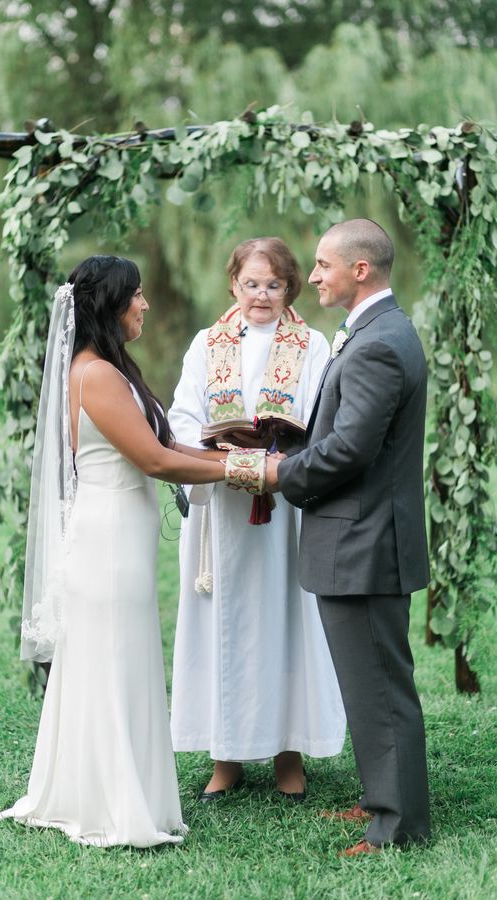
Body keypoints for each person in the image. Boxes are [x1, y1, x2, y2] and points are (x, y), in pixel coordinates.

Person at [0, 255, 228, 848]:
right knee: (111, 659)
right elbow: (154, 461)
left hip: (121, 534)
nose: (145, 305)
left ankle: (101, 787)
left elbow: (167, 442)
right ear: (110, 305)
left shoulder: (108, 369)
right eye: (138, 296)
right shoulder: (95, 375)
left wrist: (235, 455)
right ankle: (111, 801)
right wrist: (246, 472)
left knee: (116, 658)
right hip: (108, 539)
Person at [266, 219, 430, 855]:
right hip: (364, 538)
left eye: (321, 265)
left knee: (381, 688)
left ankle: (397, 826)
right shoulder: (376, 332)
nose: (312, 277)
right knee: (370, 681)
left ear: (360, 269)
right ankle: (380, 796)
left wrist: (278, 472)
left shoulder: (379, 343)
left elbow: (349, 452)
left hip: (364, 543)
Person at [168, 237, 346, 801]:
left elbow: (325, 414)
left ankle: (288, 753)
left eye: (273, 284)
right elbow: (181, 415)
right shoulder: (208, 343)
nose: (261, 295)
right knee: (225, 626)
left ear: (290, 287)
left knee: (284, 621)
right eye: (251, 284)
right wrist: (216, 438)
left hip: (285, 507)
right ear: (233, 285)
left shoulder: (311, 344)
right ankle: (226, 757)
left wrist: (283, 438)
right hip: (221, 505)